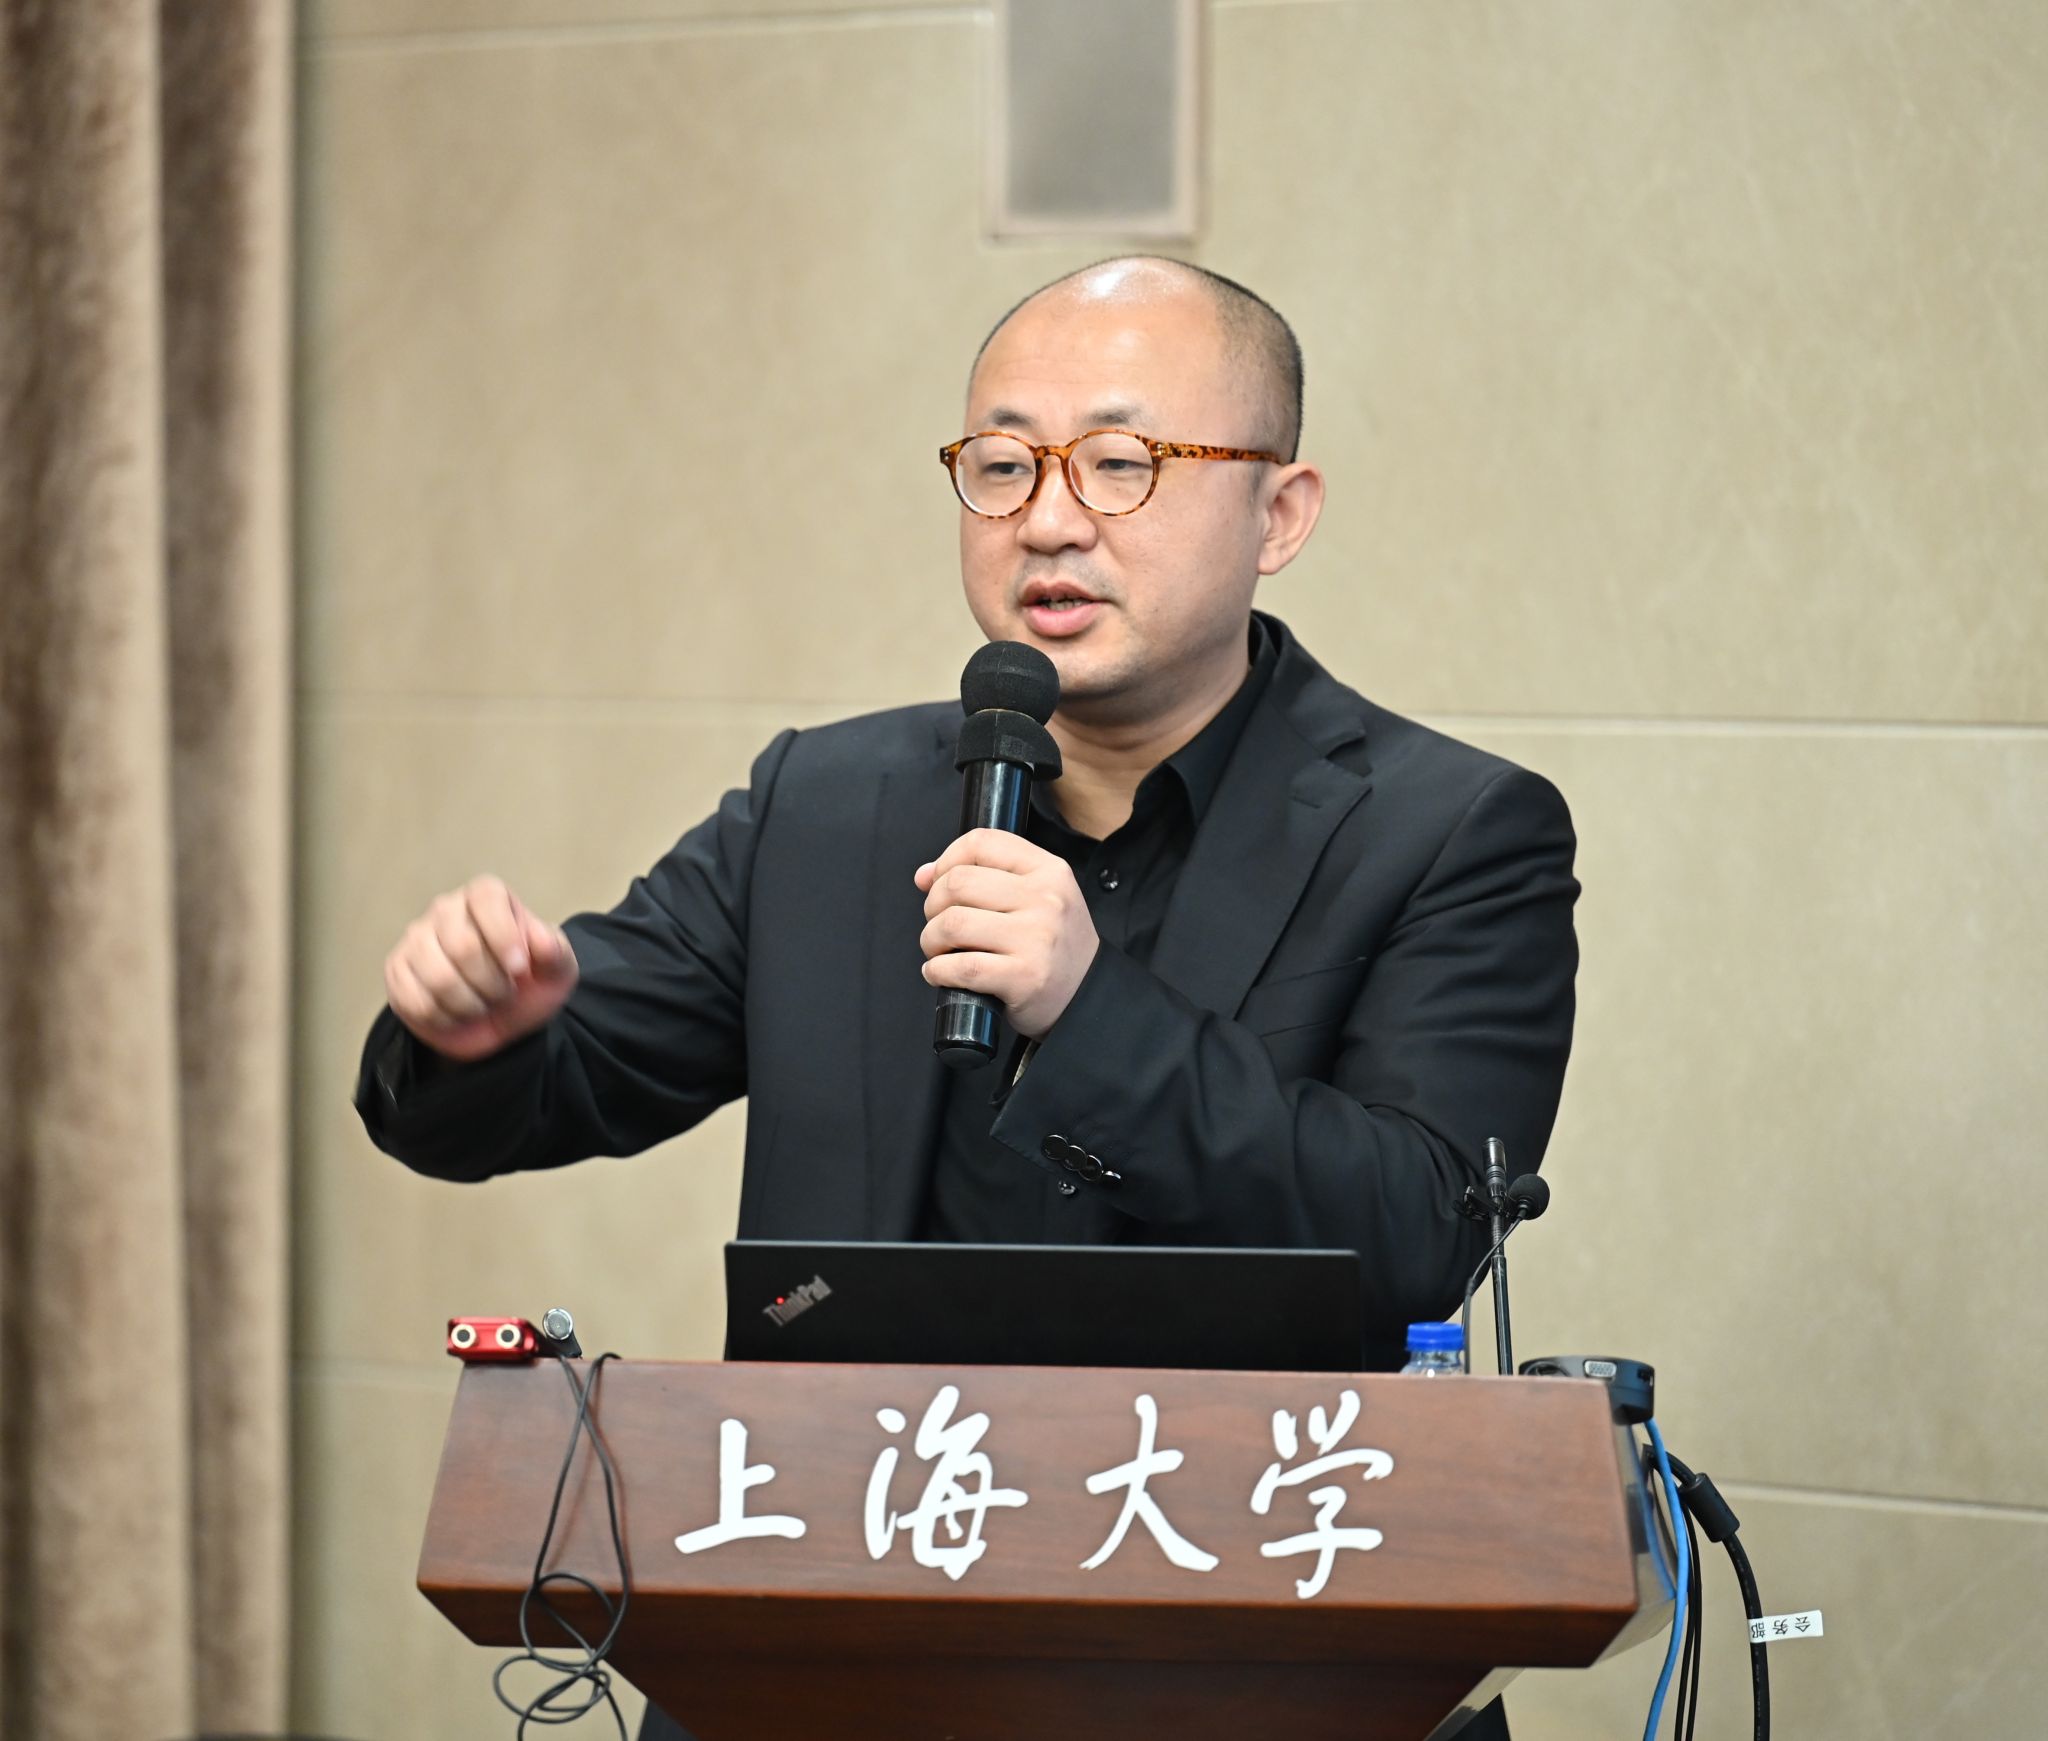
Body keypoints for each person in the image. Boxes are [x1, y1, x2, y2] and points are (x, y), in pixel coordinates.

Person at [356, 257, 1576, 1741]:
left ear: (1281, 513)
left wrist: (1091, 1009)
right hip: (826, 1643)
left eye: (1120, 463)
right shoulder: (829, 804)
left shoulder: (1449, 831)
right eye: (1001, 466)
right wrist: (474, 1035)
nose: (1048, 519)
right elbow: (540, 1088)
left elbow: (1419, 1229)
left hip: (1247, 1652)